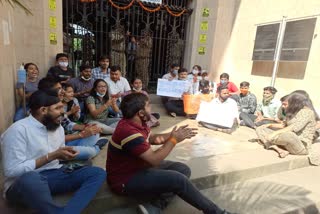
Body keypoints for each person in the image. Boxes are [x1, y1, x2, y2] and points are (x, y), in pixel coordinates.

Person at [106, 93, 230, 214]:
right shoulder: (129, 132)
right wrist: (174, 140)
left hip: (139, 167)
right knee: (178, 179)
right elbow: (154, 160)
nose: (151, 108)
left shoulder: (138, 122)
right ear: (141, 113)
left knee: (182, 169)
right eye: (148, 106)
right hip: (125, 180)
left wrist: (172, 135)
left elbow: (152, 138)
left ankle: (154, 207)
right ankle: (215, 212)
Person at [1, 90, 106, 214]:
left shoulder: (58, 127)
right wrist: (50, 157)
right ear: (43, 110)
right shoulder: (18, 130)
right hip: (23, 184)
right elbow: (11, 170)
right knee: (31, 177)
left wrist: (65, 154)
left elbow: (57, 155)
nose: (63, 112)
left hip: (54, 175)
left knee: (97, 173)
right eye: (58, 108)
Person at [38, 77, 107, 160]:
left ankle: (82, 151)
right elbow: (53, 139)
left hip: (66, 141)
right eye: (59, 89)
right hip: (54, 150)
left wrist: (86, 127)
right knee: (90, 152)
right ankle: (95, 148)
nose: (63, 91)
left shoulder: (61, 104)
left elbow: (68, 124)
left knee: (94, 131)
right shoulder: (42, 111)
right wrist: (81, 134)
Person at [255, 92, 319, 165]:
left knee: (288, 135)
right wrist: (269, 125)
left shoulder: (307, 112)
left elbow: (295, 128)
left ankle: (271, 143)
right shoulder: (291, 112)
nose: (283, 106)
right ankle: (278, 149)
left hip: (301, 146)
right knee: (260, 129)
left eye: (288, 103)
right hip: (286, 142)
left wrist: (274, 133)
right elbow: (283, 125)